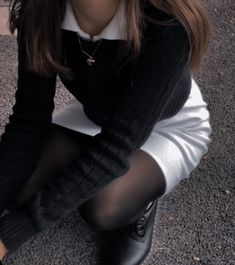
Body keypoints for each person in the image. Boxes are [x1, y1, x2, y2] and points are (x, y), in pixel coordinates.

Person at [0, 0, 213, 264]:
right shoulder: (40, 10)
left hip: (169, 125)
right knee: (20, 185)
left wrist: (6, 237)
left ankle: (142, 201)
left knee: (104, 205)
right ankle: (94, 173)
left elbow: (114, 150)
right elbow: (27, 123)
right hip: (96, 114)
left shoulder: (168, 22)